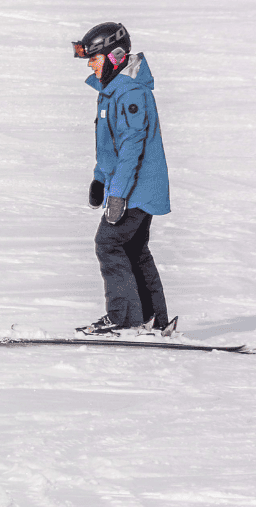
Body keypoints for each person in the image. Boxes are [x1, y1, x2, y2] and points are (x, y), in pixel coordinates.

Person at [72, 22, 173, 335]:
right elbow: (110, 148)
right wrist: (100, 179)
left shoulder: (129, 93)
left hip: (135, 189)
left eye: (94, 57)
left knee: (108, 243)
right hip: (131, 186)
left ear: (115, 56)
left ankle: (125, 318)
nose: (90, 63)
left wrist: (117, 195)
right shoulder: (111, 91)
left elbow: (131, 148)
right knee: (133, 249)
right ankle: (153, 320)